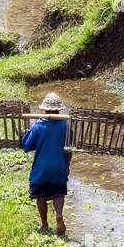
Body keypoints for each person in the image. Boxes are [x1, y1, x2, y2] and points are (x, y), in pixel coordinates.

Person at [22, 92, 72, 235]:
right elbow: (70, 150)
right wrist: (67, 166)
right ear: (58, 110)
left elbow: (27, 145)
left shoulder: (38, 125)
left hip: (41, 168)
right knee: (58, 193)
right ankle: (59, 215)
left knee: (40, 196)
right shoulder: (67, 125)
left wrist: (27, 133)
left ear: (45, 109)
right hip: (59, 166)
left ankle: (44, 225)